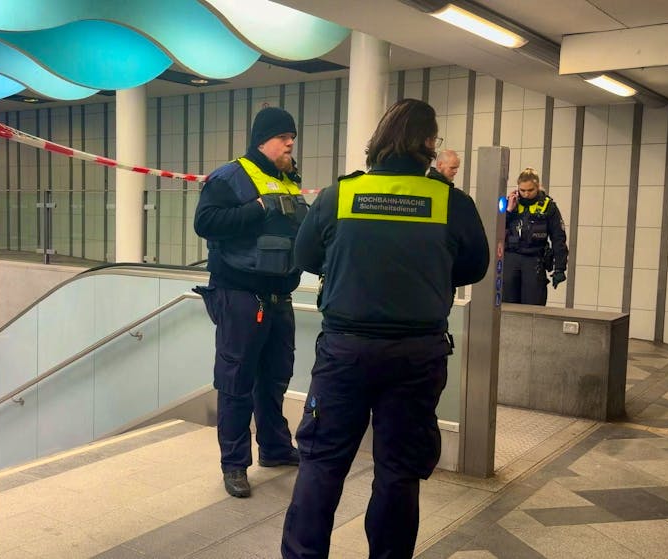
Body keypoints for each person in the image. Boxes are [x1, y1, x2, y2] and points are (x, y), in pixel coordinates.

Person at [280, 98, 489, 559]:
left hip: (345, 351)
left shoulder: (340, 195)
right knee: (398, 471)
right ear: (430, 145)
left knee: (322, 463)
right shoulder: (450, 201)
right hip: (417, 355)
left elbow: (306, 256)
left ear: (378, 140)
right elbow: (474, 266)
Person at [193, 106, 309, 498]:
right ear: (263, 140)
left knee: (276, 375)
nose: (290, 142)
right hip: (240, 294)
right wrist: (257, 209)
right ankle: (235, 464)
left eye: (292, 136)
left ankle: (275, 448)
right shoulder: (230, 177)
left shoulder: (288, 178)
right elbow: (205, 223)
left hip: (280, 294)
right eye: (283, 136)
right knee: (236, 381)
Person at [503, 167, 568, 305]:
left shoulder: (548, 206)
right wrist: (508, 211)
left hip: (534, 260)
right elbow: (494, 229)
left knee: (532, 306)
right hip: (510, 258)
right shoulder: (508, 202)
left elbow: (558, 238)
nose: (526, 194)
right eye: (522, 190)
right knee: (506, 306)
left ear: (538, 187)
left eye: (530, 190)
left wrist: (560, 268)